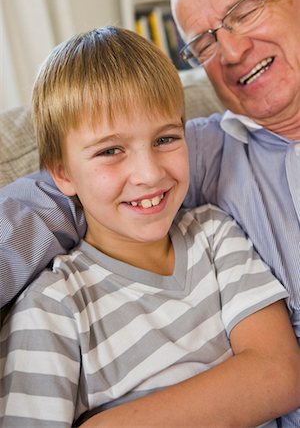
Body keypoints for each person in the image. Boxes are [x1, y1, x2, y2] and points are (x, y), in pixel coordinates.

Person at [0, 26, 299, 428]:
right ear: (62, 173)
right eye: (110, 150)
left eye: (165, 139)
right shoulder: (52, 308)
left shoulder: (215, 234)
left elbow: (279, 373)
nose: (148, 173)